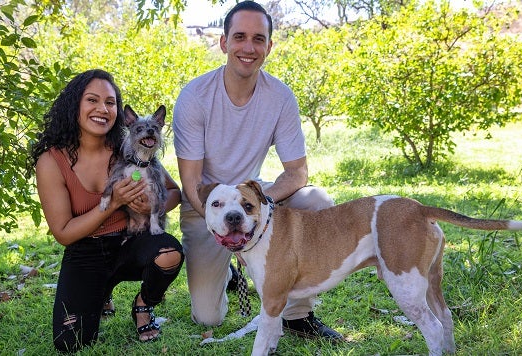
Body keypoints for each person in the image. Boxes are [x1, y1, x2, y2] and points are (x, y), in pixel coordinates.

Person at [172, 1, 343, 342]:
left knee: (317, 200)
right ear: (223, 43)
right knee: (209, 316)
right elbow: (190, 181)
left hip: (252, 197)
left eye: (258, 38)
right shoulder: (194, 97)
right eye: (239, 37)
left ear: (269, 46)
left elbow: (296, 173)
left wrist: (261, 204)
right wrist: (218, 221)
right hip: (207, 202)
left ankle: (297, 314)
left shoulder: (280, 97)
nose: (248, 47)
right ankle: (231, 276)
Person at [30, 69, 184, 352]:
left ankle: (143, 305)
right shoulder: (51, 161)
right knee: (71, 343)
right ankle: (101, 292)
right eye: (92, 100)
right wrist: (112, 204)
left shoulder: (129, 147)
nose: (102, 109)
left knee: (169, 253)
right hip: (85, 252)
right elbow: (63, 233)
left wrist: (154, 205)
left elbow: (174, 192)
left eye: (110, 102)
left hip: (129, 243)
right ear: (74, 104)